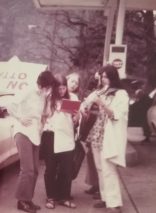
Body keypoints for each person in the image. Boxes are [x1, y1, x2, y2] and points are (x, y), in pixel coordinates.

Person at [81, 65, 129, 213]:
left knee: (109, 169)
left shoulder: (121, 94)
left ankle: (114, 204)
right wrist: (84, 108)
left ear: (113, 77)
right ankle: (105, 198)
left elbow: (116, 115)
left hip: (109, 135)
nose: (103, 79)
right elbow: (85, 103)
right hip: (97, 133)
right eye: (102, 77)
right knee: (100, 169)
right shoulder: (100, 91)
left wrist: (101, 103)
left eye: (106, 77)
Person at [8, 70, 55, 213]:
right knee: (27, 169)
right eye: (46, 87)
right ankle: (21, 201)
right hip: (23, 132)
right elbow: (10, 105)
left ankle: (28, 200)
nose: (46, 89)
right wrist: (20, 117)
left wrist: (47, 100)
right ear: (42, 84)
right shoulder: (28, 90)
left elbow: (46, 114)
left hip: (35, 133)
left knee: (34, 170)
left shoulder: (43, 96)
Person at [41, 74, 78, 210]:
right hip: (50, 136)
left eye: (64, 88)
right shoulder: (48, 98)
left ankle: (64, 197)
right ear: (55, 88)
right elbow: (43, 115)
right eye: (59, 89)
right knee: (50, 169)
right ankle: (50, 197)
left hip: (67, 137)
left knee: (66, 170)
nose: (62, 91)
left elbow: (76, 116)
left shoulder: (72, 97)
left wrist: (77, 117)